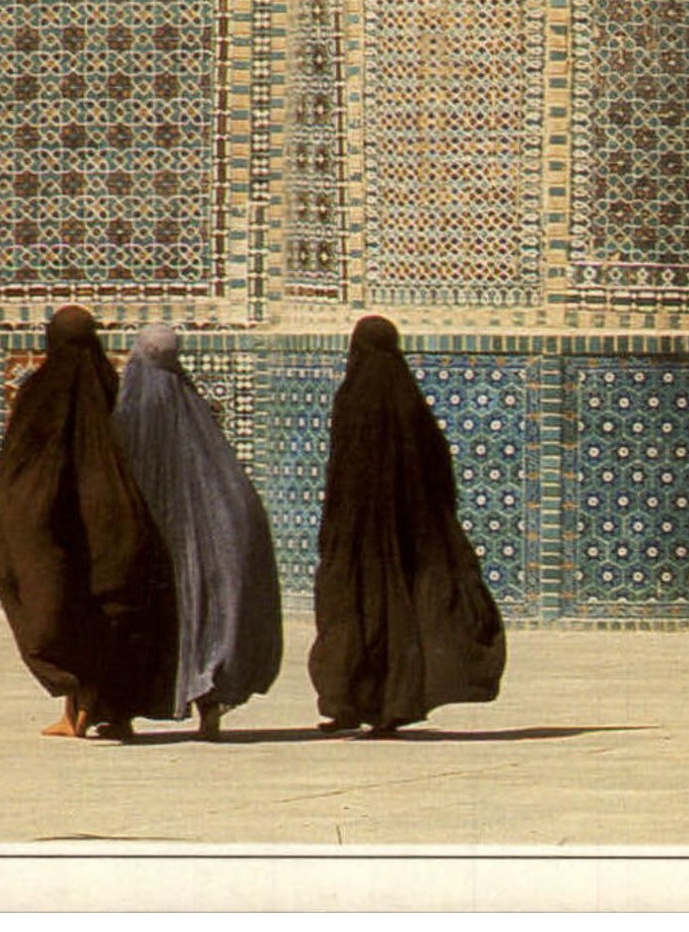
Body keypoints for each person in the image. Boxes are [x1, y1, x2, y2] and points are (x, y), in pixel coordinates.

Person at [0, 305, 178, 740]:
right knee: (113, 611)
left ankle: (78, 709)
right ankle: (112, 711)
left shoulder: (40, 391)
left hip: (57, 521)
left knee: (61, 604)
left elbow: (22, 467)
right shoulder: (114, 388)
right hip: (114, 520)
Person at [309, 314, 506, 736]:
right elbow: (438, 472)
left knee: (348, 615)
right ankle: (390, 707)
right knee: (399, 616)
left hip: (356, 536)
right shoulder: (409, 401)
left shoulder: (352, 396)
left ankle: (347, 703)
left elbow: (340, 472)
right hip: (406, 535)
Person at [112, 324, 283, 741]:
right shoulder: (194, 410)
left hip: (149, 538)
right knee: (204, 617)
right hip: (200, 538)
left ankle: (120, 715)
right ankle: (209, 705)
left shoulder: (129, 409)